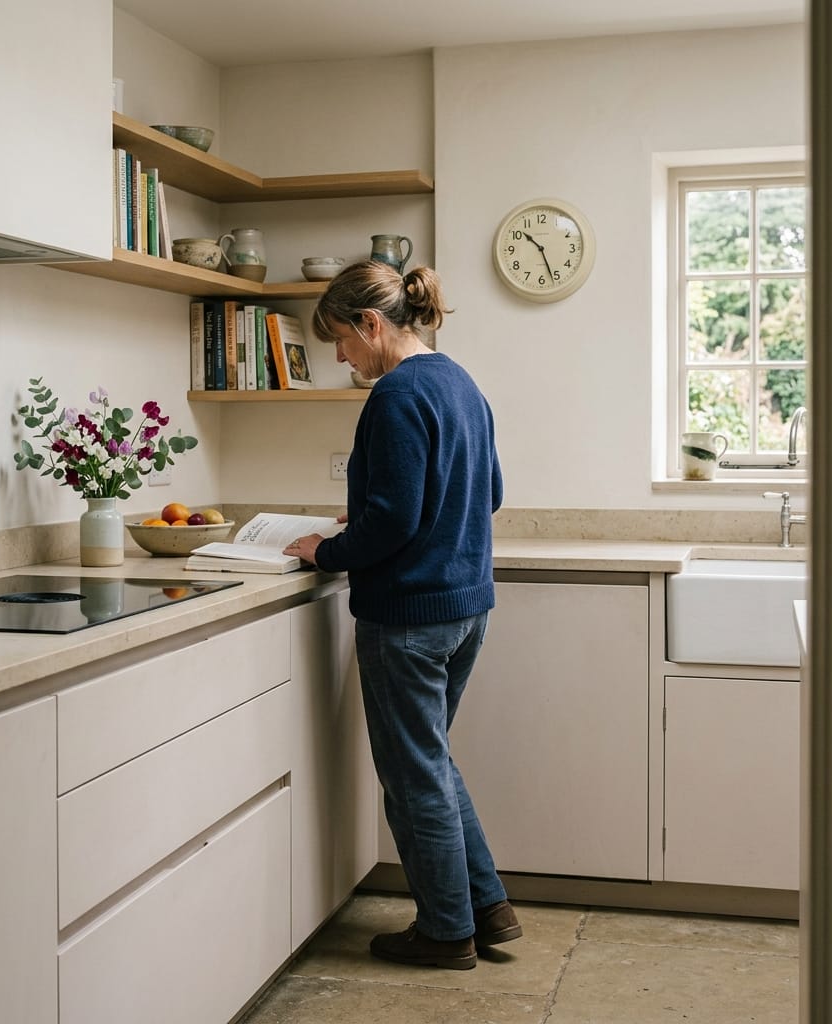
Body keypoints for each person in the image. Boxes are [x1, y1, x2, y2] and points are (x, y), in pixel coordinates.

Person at [283, 260, 521, 970]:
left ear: (372, 324)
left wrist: (328, 549)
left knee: (414, 775)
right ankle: (486, 906)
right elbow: (490, 493)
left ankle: (446, 933)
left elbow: (391, 523)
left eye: (341, 339)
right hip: (466, 608)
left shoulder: (394, 395)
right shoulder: (461, 384)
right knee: (432, 762)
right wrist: (377, 518)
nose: (338, 356)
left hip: (410, 616)